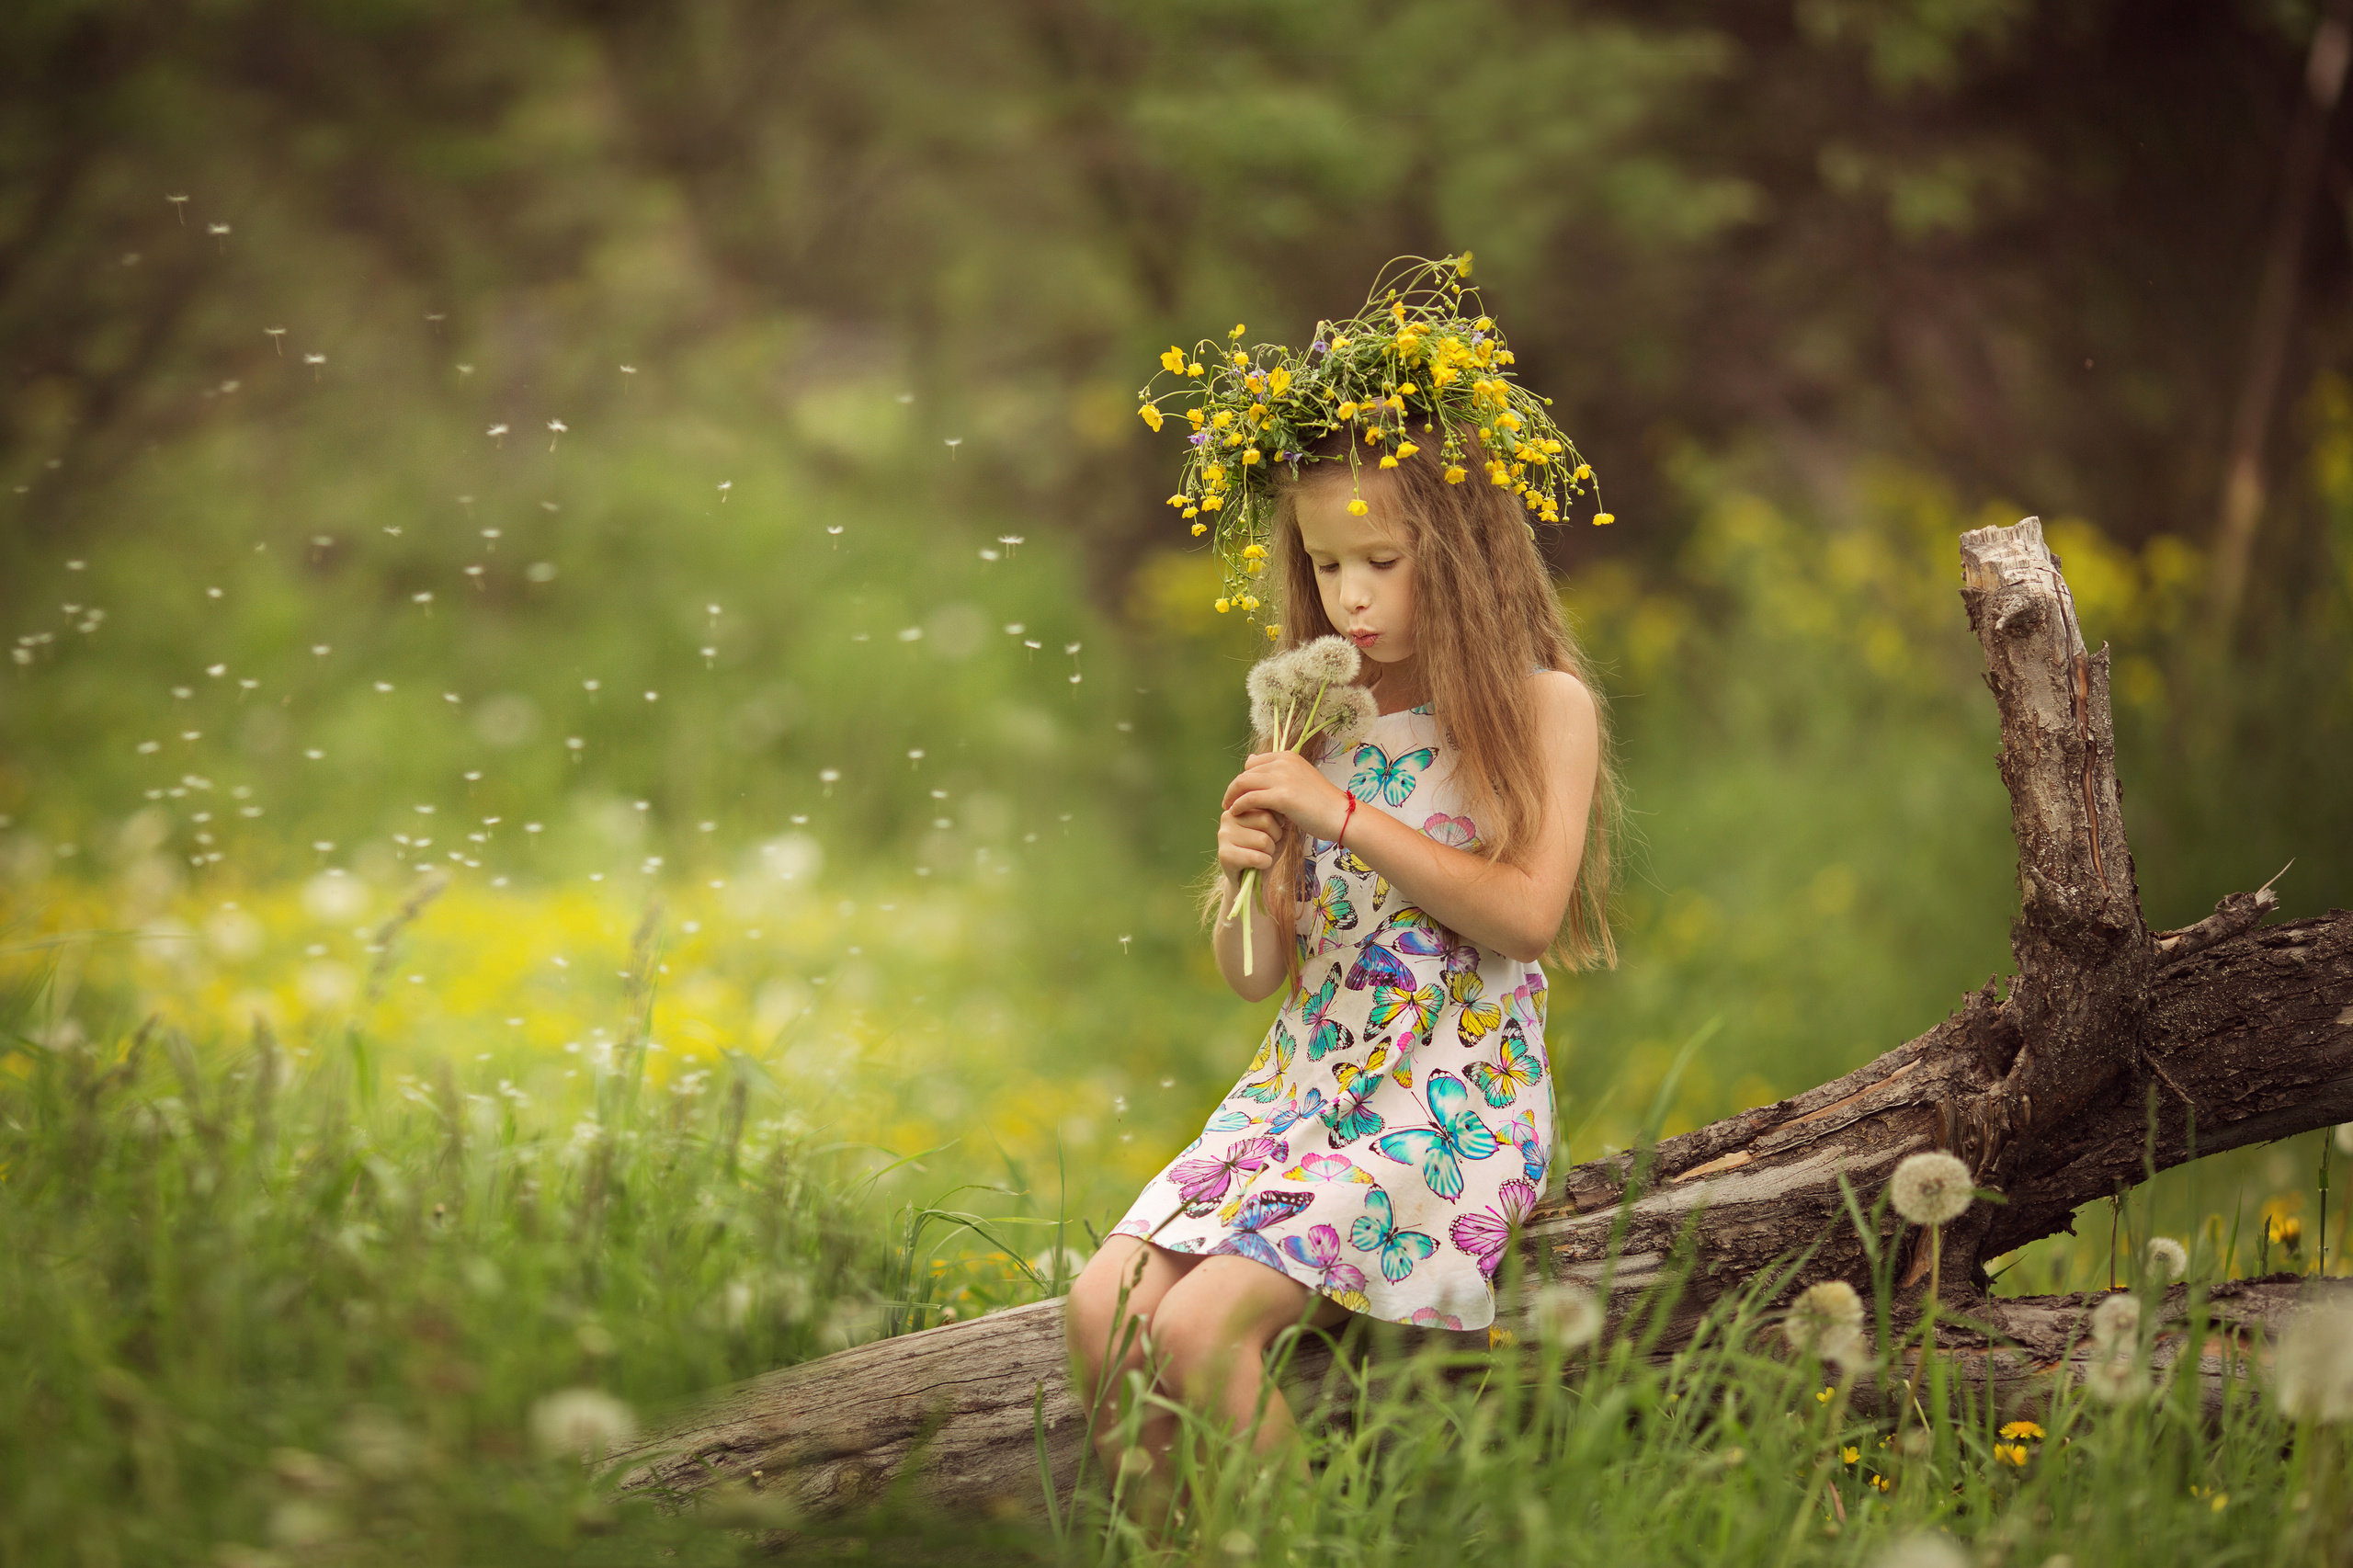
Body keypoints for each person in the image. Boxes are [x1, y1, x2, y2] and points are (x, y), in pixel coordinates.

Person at [1064, 257, 1620, 1502]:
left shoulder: (1541, 708)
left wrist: (1347, 815)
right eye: (1325, 566)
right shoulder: (1314, 713)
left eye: (1381, 559)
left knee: (1205, 1332)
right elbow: (1261, 974)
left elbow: (1526, 916)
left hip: (1449, 1099)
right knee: (1103, 1310)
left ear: (1464, 551)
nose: (1349, 596)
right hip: (1302, 1092)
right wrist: (1254, 877)